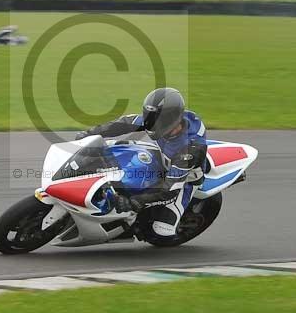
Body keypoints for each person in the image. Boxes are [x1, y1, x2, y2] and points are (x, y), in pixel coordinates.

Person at [75, 87, 207, 237]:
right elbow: (123, 123)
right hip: (161, 156)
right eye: (149, 117)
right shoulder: (160, 120)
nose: (150, 123)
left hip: (184, 179)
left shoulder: (189, 150)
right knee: (114, 147)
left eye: (156, 119)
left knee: (161, 230)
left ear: (172, 120)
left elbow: (170, 189)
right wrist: (90, 133)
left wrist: (134, 202)